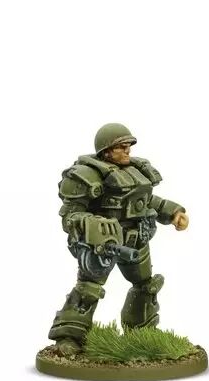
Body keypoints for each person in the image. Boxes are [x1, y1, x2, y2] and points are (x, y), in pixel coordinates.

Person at [49, 123, 189, 355]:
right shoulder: (87, 175)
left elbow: (147, 201)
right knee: (88, 290)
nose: (127, 151)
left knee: (145, 286)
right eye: (121, 147)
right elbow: (70, 216)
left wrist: (172, 212)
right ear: (106, 151)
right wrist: (93, 225)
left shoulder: (136, 171)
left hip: (137, 240)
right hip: (103, 246)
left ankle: (141, 331)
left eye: (129, 146)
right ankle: (69, 338)